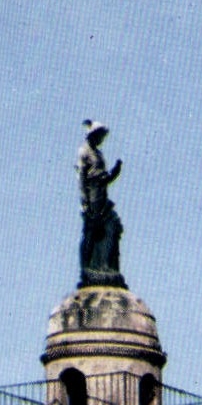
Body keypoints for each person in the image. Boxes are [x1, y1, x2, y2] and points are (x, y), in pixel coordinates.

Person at [77, 121, 125, 285]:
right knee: (92, 229)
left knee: (112, 226)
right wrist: (85, 202)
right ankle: (88, 268)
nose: (101, 139)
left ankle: (106, 266)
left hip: (102, 193)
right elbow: (82, 178)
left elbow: (105, 178)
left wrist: (115, 172)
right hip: (92, 195)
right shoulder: (84, 152)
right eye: (99, 136)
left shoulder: (98, 153)